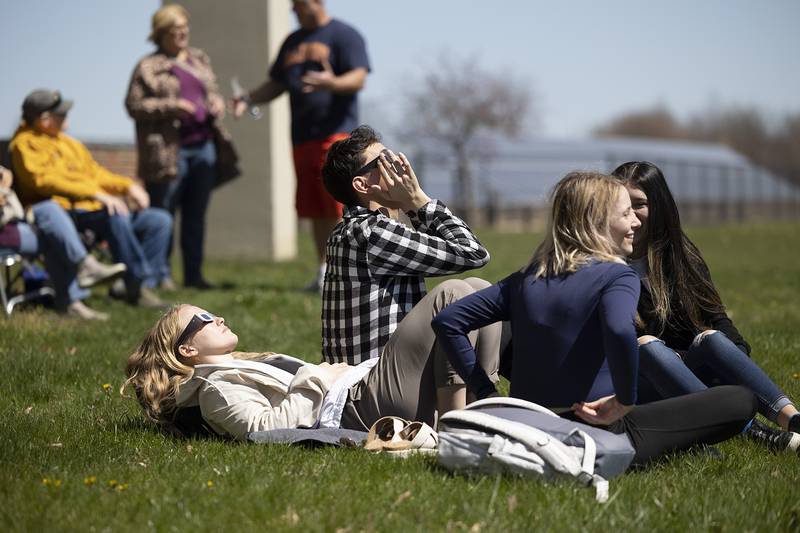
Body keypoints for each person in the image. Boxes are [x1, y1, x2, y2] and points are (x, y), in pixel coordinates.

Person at [432, 171, 757, 466]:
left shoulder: (525, 279)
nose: (636, 222)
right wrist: (624, 400)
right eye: (626, 213)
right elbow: (618, 329)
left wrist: (487, 392)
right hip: (600, 429)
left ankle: (689, 446)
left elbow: (449, 321)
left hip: (530, 424)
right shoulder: (617, 275)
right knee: (740, 399)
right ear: (598, 220)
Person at [611, 161, 800, 452]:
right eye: (623, 207)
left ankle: (792, 419)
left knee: (711, 339)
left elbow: (716, 318)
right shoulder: (602, 268)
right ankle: (754, 432)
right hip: (638, 384)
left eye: (639, 205)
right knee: (647, 345)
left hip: (686, 374)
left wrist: (732, 363)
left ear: (659, 206)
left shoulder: (680, 256)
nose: (632, 217)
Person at [124, 297, 492, 438]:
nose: (217, 317)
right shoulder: (215, 390)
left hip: (361, 390)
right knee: (453, 297)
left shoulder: (242, 365)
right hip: (356, 408)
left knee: (477, 292)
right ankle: (460, 433)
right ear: (186, 349)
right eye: (203, 318)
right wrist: (318, 375)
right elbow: (263, 431)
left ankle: (480, 413)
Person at [319, 125, 498, 407]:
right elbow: (472, 253)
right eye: (384, 161)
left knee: (478, 291)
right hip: (368, 392)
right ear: (362, 185)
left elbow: (472, 256)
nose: (399, 165)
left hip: (391, 382)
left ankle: (480, 406)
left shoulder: (367, 228)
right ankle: (457, 422)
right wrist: (417, 200)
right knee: (452, 294)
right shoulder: (370, 232)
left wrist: (413, 206)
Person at [232, 0, 370, 292]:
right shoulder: (292, 42)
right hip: (301, 138)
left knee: (336, 205)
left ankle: (347, 272)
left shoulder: (344, 35)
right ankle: (325, 271)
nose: (293, 10)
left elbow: (359, 78)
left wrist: (332, 83)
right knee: (315, 208)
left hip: (336, 136)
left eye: (298, 4)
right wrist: (248, 98)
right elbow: (276, 83)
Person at [10, 89, 172, 308]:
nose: (67, 117)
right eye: (62, 114)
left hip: (94, 211)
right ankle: (135, 285)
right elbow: (44, 181)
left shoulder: (69, 144)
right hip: (64, 214)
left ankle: (136, 284)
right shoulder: (24, 145)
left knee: (159, 220)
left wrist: (129, 187)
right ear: (44, 120)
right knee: (116, 214)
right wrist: (95, 194)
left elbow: (97, 174)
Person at [126, 4, 239, 290]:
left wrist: (215, 102)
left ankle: (194, 275)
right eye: (176, 32)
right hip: (167, 151)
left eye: (185, 30)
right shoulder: (148, 66)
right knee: (163, 212)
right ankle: (160, 275)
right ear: (161, 34)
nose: (182, 36)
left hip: (203, 146)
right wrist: (171, 106)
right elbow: (134, 104)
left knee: (195, 214)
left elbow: (211, 91)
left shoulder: (199, 60)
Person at [0, 166, 125, 319]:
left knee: (50, 212)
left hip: (13, 225)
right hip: (6, 233)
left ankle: (83, 272)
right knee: (55, 233)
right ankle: (73, 294)